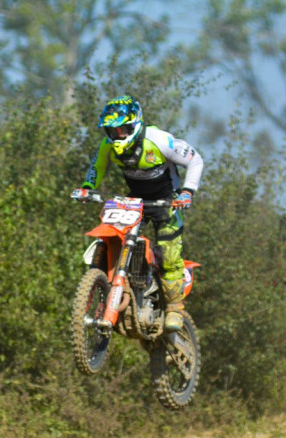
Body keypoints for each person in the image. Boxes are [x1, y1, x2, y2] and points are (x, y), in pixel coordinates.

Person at [73, 95, 203, 332]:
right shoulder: (107, 146)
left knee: (169, 251)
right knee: (115, 234)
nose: (118, 135)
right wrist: (86, 188)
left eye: (123, 129)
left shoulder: (160, 140)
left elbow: (195, 160)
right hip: (135, 200)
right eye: (112, 131)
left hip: (167, 201)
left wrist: (187, 193)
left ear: (135, 124)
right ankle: (111, 282)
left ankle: (174, 307)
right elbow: (97, 167)